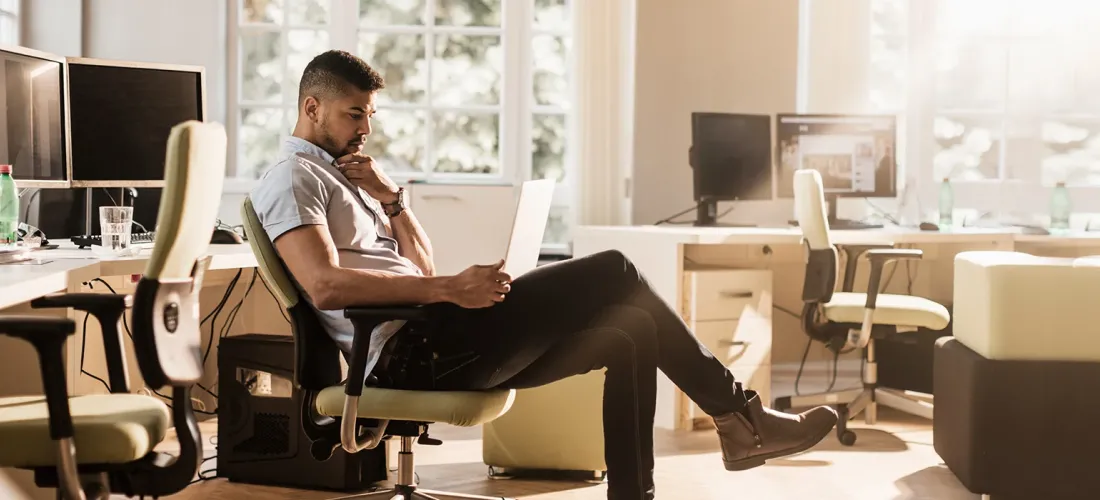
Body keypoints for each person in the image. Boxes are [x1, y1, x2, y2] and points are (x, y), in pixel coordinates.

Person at [251, 50, 838, 500]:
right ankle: (744, 419)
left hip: (435, 333)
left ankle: (651, 486)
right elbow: (325, 285)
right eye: (355, 114)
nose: (366, 128)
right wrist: (451, 291)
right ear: (312, 108)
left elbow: (421, 264)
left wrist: (391, 198)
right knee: (616, 269)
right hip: (408, 351)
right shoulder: (293, 179)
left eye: (370, 114)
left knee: (632, 330)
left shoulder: (351, 178)